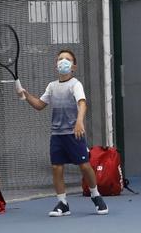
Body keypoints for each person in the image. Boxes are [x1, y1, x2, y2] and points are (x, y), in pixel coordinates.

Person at [17, 48, 108, 216]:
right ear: (56, 65)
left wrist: (79, 122)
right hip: (57, 135)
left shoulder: (75, 84)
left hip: (74, 134)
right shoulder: (52, 87)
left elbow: (82, 103)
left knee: (85, 166)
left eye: (67, 59)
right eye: (60, 58)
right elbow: (39, 105)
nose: (63, 61)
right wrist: (27, 96)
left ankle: (96, 196)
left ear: (73, 67)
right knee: (56, 168)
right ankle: (62, 203)